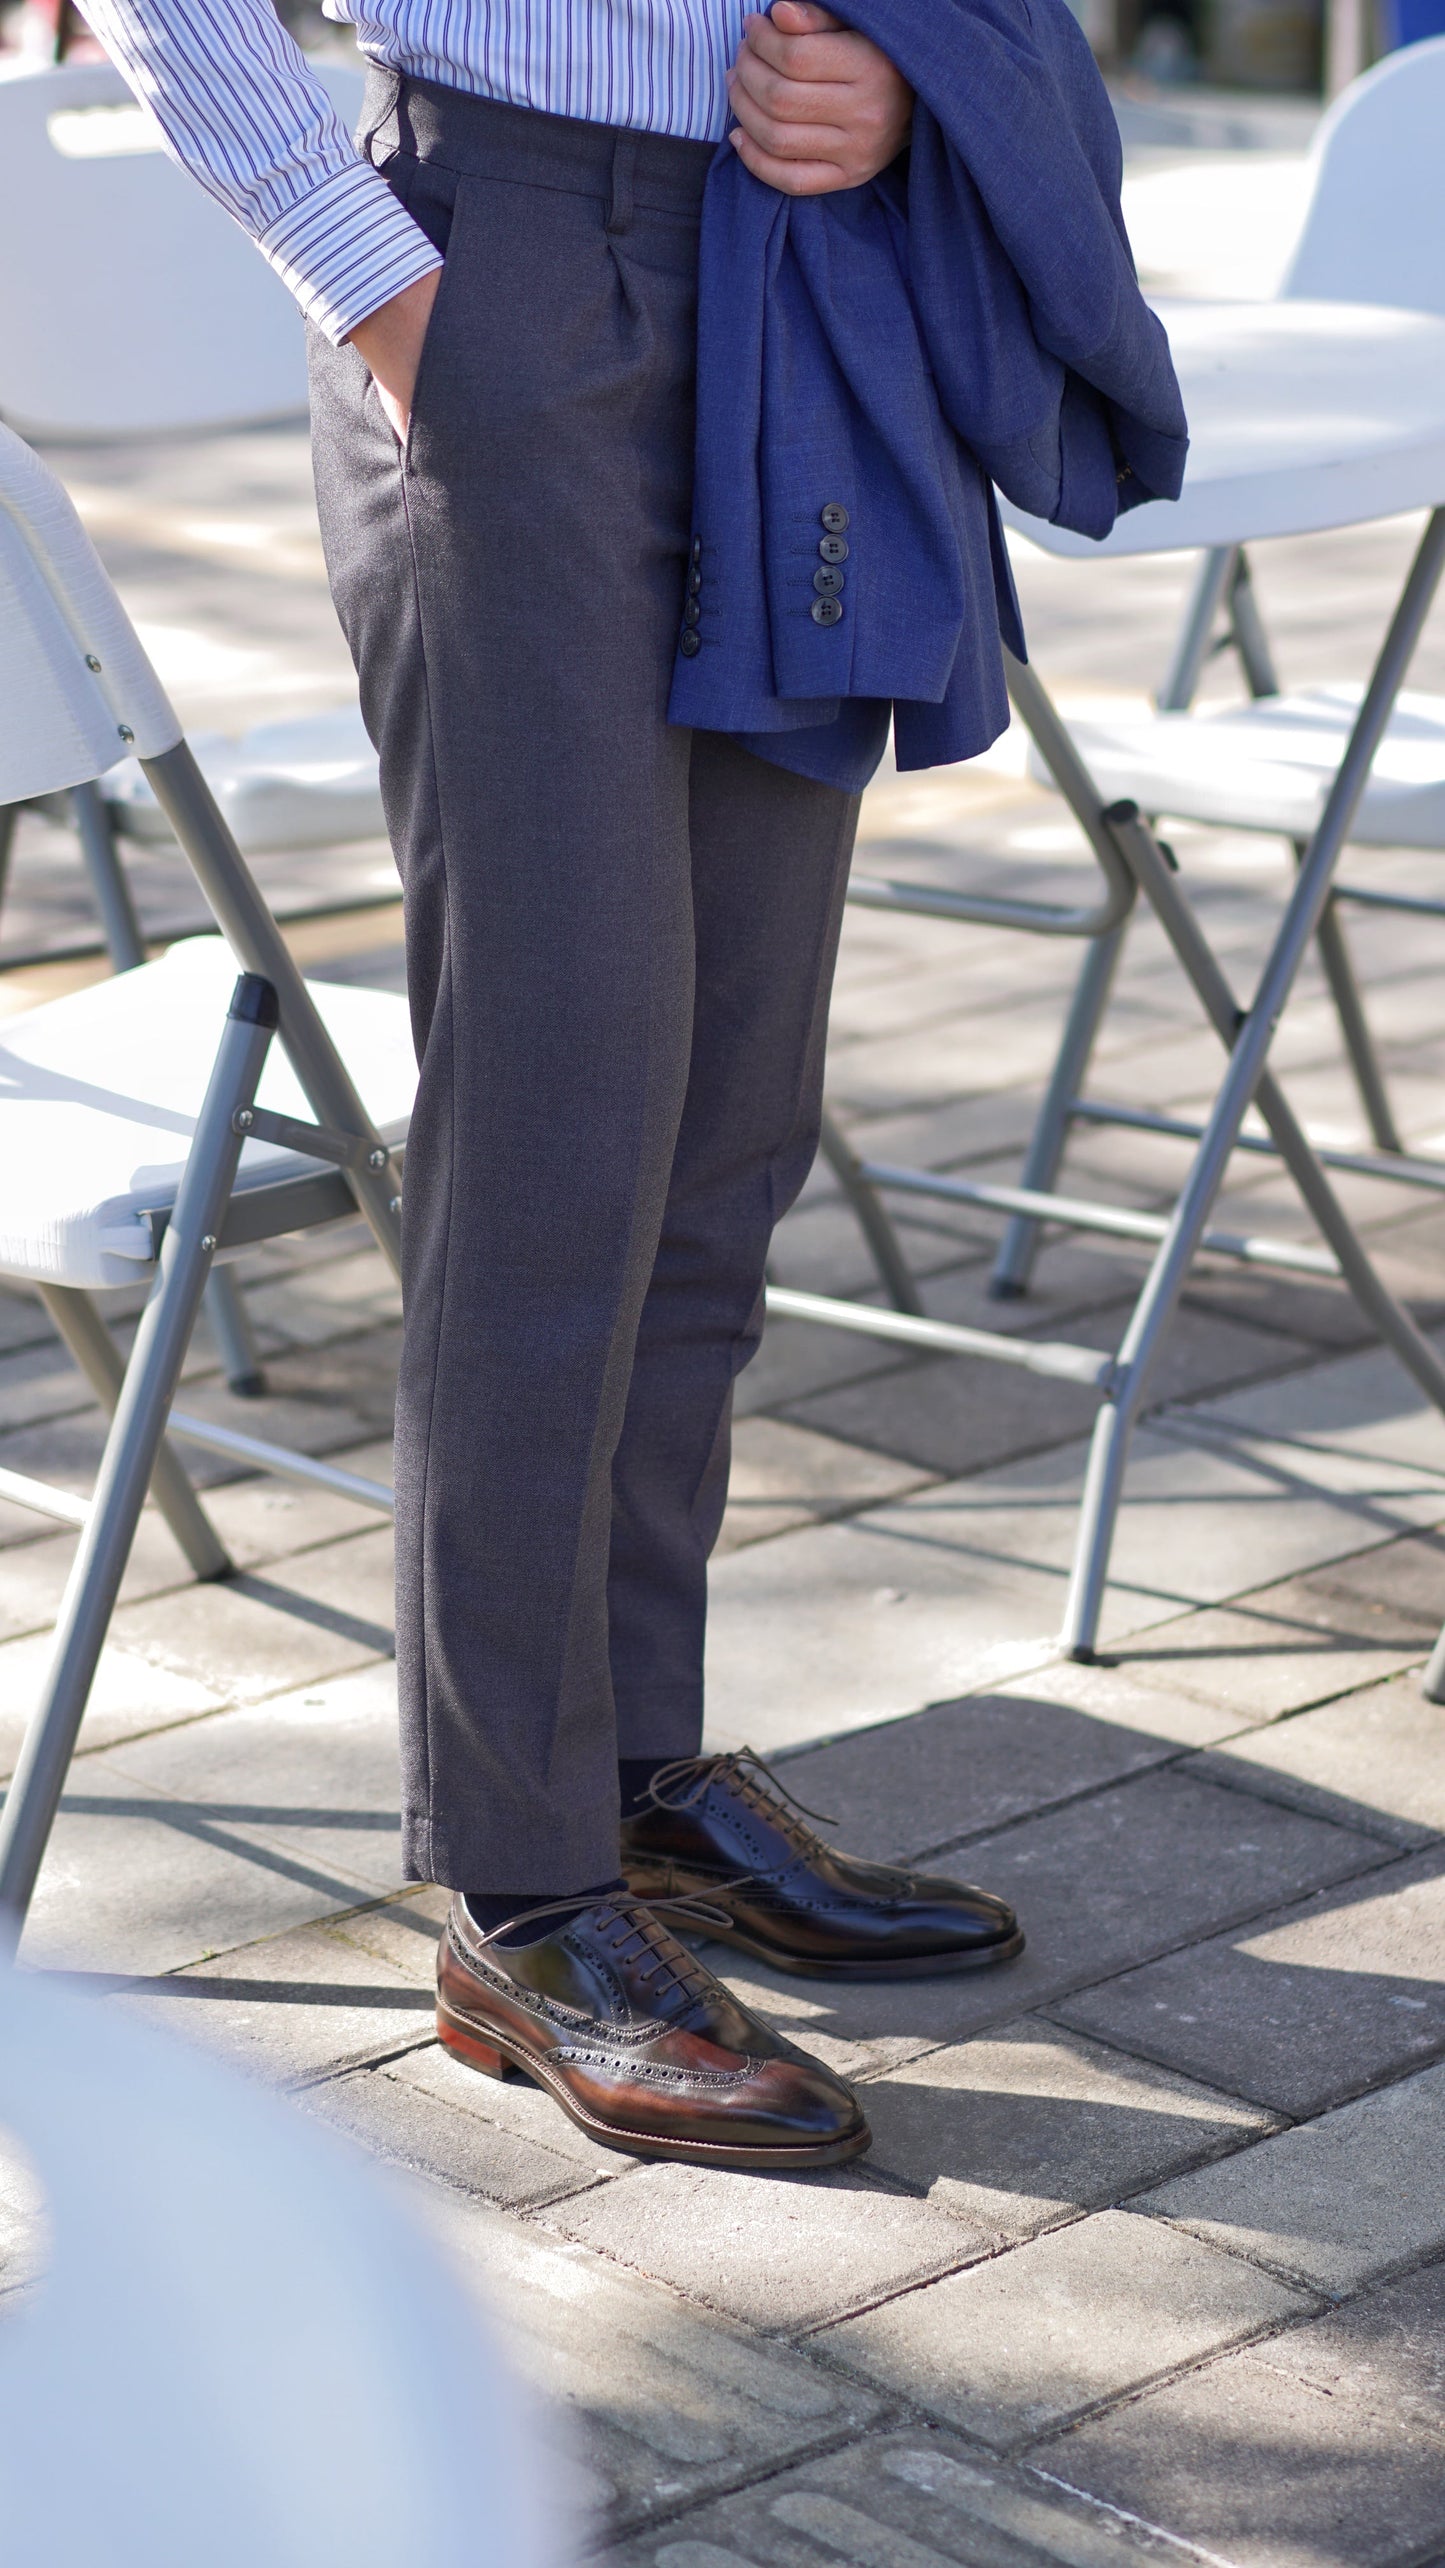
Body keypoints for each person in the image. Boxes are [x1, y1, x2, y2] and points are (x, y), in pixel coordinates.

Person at [81, 0, 1024, 2172]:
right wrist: (370, 268)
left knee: (727, 1109)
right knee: (562, 1115)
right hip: (491, 251)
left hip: (803, 263)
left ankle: (637, 1778)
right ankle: (522, 1888)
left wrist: (902, 85)